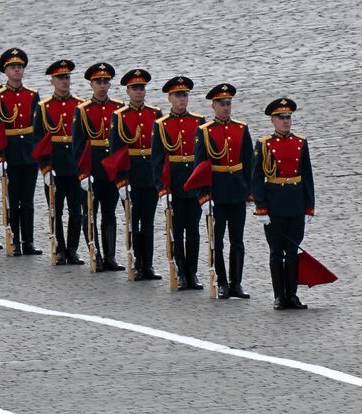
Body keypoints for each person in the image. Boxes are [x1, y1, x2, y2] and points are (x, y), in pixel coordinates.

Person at [251, 97, 315, 309]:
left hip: (295, 203)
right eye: (281, 118)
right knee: (277, 252)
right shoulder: (264, 144)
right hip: (275, 204)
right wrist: (261, 207)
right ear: (273, 120)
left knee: (293, 251)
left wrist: (309, 206)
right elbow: (257, 177)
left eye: (288, 117)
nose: (286, 121)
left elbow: (307, 175)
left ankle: (293, 294)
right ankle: (279, 295)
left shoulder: (300, 142)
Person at [192, 83, 254, 298]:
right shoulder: (205, 131)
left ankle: (236, 282)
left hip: (237, 191)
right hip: (216, 192)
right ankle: (222, 282)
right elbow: (200, 165)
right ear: (213, 106)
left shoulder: (241, 128)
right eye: (222, 104)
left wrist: (250, 191)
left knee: (237, 239)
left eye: (228, 104)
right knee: (217, 240)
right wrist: (204, 195)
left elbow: (249, 162)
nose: (226, 108)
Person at [0, 48, 42, 256]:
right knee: (13, 198)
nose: (17, 70)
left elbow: (38, 128)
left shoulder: (32, 94)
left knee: (27, 200)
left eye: (19, 67)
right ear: (5, 71)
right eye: (13, 67)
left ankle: (28, 241)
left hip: (28, 154)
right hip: (9, 154)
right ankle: (14, 240)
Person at [109, 69, 162, 280]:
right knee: (133, 221)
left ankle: (147, 264)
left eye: (142, 88)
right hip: (130, 175)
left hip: (149, 175)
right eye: (135, 89)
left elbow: (159, 149)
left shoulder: (155, 114)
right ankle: (137, 263)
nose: (139, 92)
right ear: (128, 91)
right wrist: (121, 181)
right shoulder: (120, 116)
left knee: (148, 222)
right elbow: (115, 150)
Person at [154, 76, 204, 290]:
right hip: (173, 183)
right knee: (177, 230)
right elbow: (157, 160)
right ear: (170, 98)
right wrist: (162, 189)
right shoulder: (161, 125)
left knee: (194, 231)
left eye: (184, 95)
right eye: (177, 95)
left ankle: (192, 273)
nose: (182, 99)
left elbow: (202, 156)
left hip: (193, 183)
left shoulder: (198, 122)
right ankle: (181, 273)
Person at [35, 59, 84, 266]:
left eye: (67, 77)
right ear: (52, 81)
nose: (65, 81)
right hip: (55, 166)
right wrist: (45, 168)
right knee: (55, 210)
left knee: (76, 210)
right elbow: (38, 139)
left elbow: (84, 141)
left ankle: (72, 249)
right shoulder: (44, 107)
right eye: (60, 78)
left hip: (75, 167)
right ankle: (59, 248)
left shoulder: (80, 106)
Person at [75, 63, 123, 273]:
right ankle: (95, 254)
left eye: (105, 81)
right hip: (92, 168)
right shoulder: (83, 110)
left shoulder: (119, 108)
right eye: (98, 82)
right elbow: (77, 146)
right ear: (91, 84)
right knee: (90, 212)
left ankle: (110, 256)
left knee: (110, 212)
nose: (102, 85)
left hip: (111, 168)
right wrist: (83, 173)